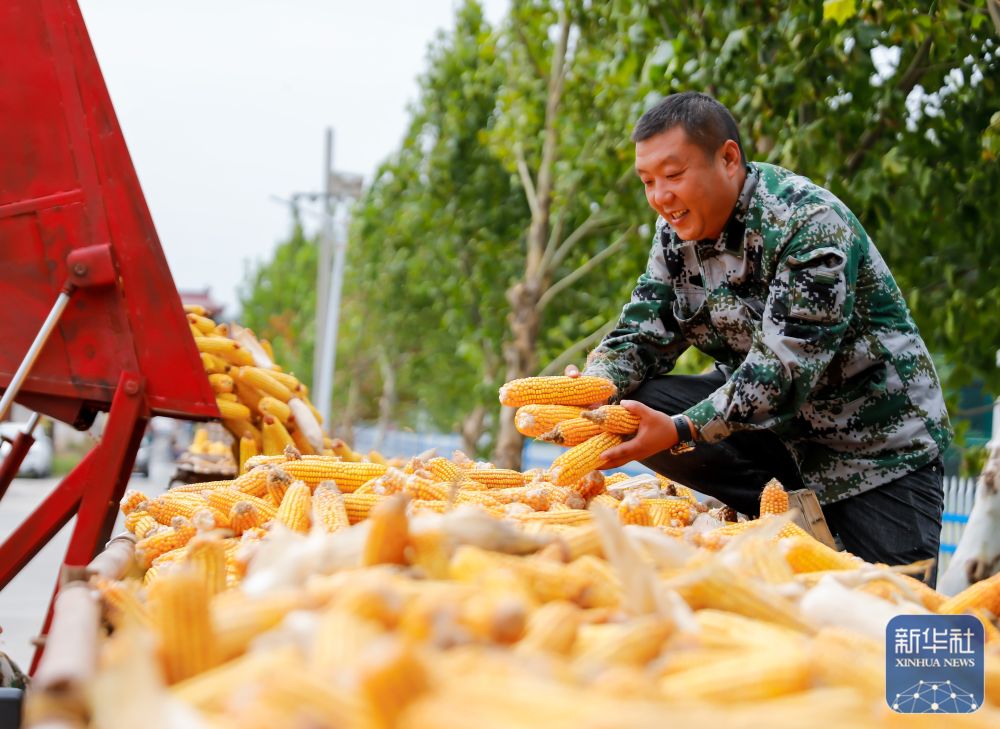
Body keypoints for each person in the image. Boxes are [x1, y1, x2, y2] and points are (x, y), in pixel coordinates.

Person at [570, 91, 952, 585]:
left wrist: (683, 429)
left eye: (674, 175)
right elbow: (643, 330)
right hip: (773, 437)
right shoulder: (673, 237)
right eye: (647, 181)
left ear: (728, 159)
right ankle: (777, 515)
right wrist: (594, 387)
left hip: (875, 448)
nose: (660, 196)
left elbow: (783, 370)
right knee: (629, 406)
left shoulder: (808, 223)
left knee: (894, 617)